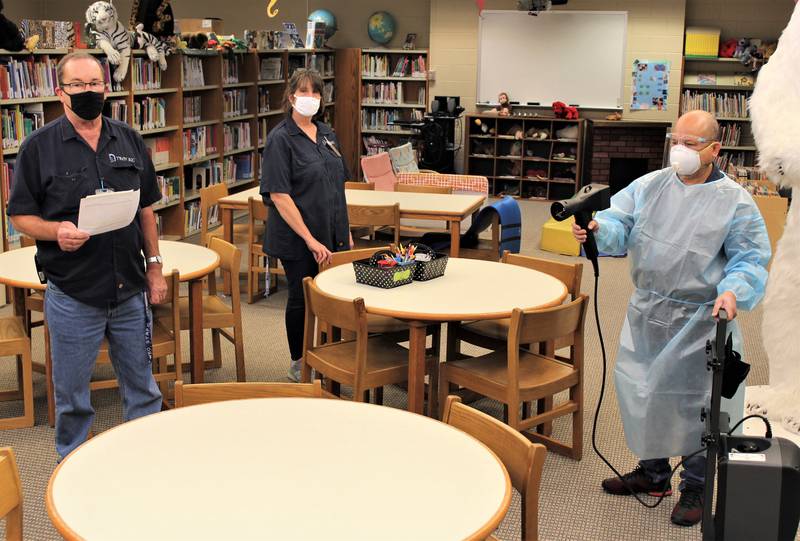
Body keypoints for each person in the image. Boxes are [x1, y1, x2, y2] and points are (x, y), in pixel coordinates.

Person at [572, 110, 770, 527]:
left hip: (702, 318)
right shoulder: (652, 185)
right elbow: (618, 222)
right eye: (675, 140)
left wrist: (733, 291)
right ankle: (654, 472)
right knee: (645, 390)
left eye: (691, 143)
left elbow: (750, 259)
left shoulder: (734, 201)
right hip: (649, 309)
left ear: (715, 150)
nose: (679, 150)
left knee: (697, 403)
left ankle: (695, 485)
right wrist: (595, 229)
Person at [7, 52, 166, 459]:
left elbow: (146, 208)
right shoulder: (38, 147)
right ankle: (72, 469)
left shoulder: (128, 138)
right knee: (73, 398)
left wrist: (155, 268)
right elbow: (21, 215)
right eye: (77, 85)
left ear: (106, 87)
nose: (88, 91)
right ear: (61, 93)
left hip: (129, 288)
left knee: (144, 389)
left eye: (95, 83)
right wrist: (55, 231)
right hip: (74, 292)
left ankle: (146, 461)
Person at [260, 69, 352, 382]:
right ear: (290, 97)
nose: (309, 98)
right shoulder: (280, 139)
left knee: (334, 296)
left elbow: (337, 185)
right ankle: (299, 363)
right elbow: (280, 196)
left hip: (333, 233)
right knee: (302, 298)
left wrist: (346, 232)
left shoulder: (327, 134)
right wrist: (310, 239)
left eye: (315, 93)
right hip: (297, 237)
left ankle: (331, 358)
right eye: (303, 92)